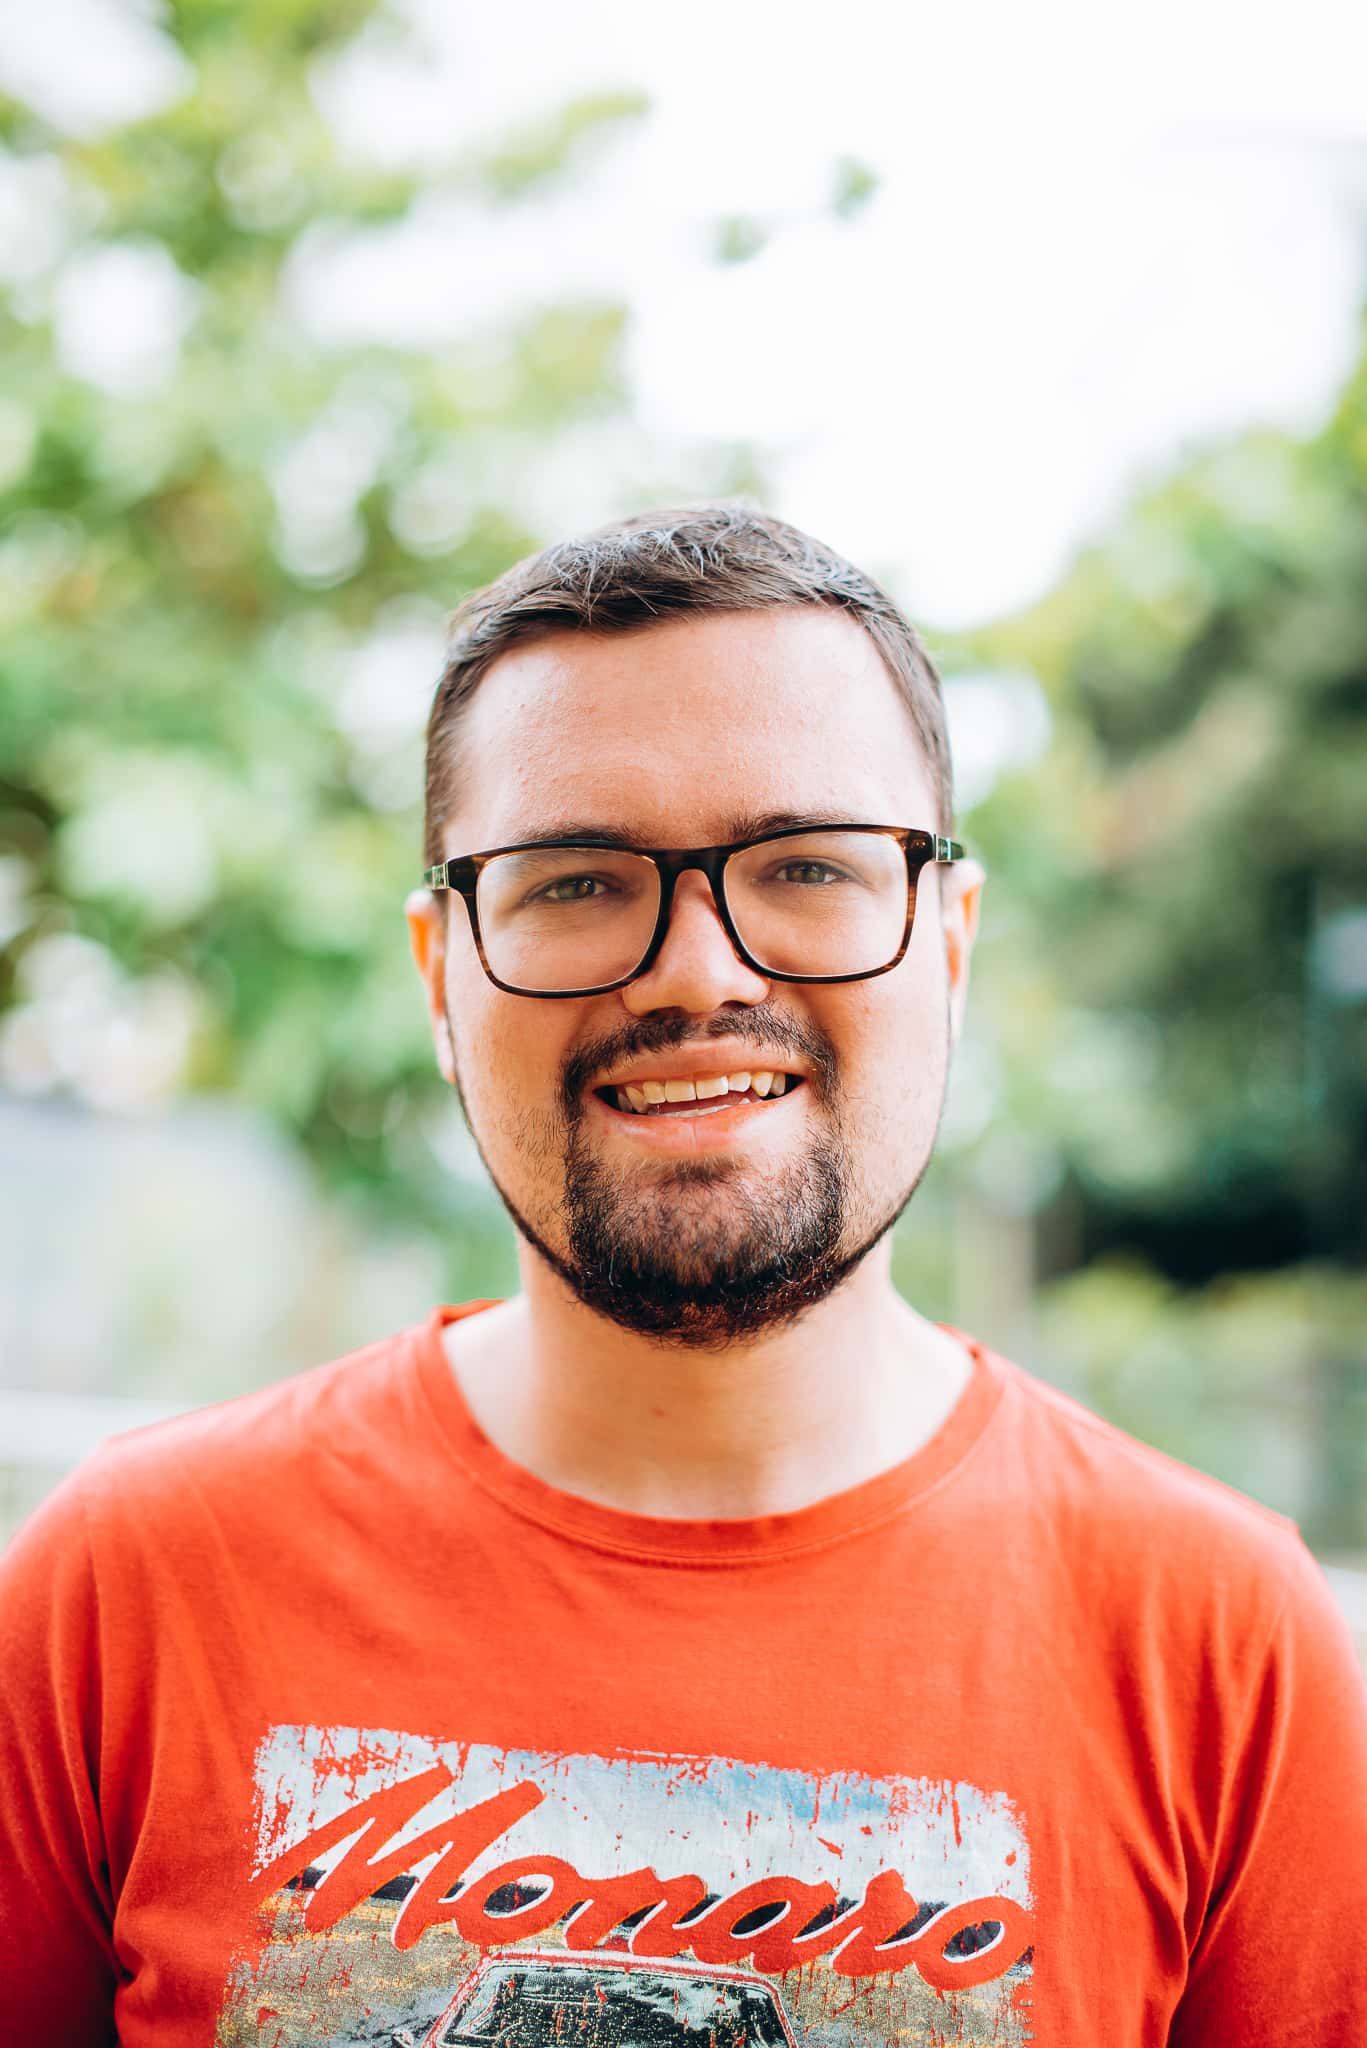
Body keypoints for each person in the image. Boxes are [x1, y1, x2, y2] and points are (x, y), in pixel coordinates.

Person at [1, 505, 1363, 2048]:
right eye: (575, 881)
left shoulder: (1223, 1647)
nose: (702, 967)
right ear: (445, 975)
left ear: (951, 939)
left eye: (806, 866)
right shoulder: (122, 1595)